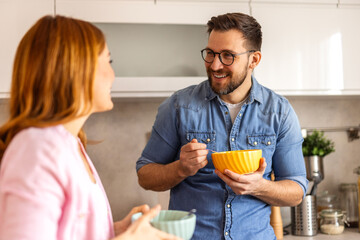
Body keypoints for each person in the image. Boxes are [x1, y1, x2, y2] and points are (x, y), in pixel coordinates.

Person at [0, 15, 180, 240]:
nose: (113, 74)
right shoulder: (35, 150)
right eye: (108, 61)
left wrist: (115, 231)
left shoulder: (71, 142)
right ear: (77, 69)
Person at [136, 12, 308, 239]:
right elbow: (145, 175)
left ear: (254, 60)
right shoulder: (179, 106)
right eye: (210, 54)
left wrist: (258, 186)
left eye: (228, 56)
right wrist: (180, 168)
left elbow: (296, 191)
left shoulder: (279, 112)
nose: (215, 65)